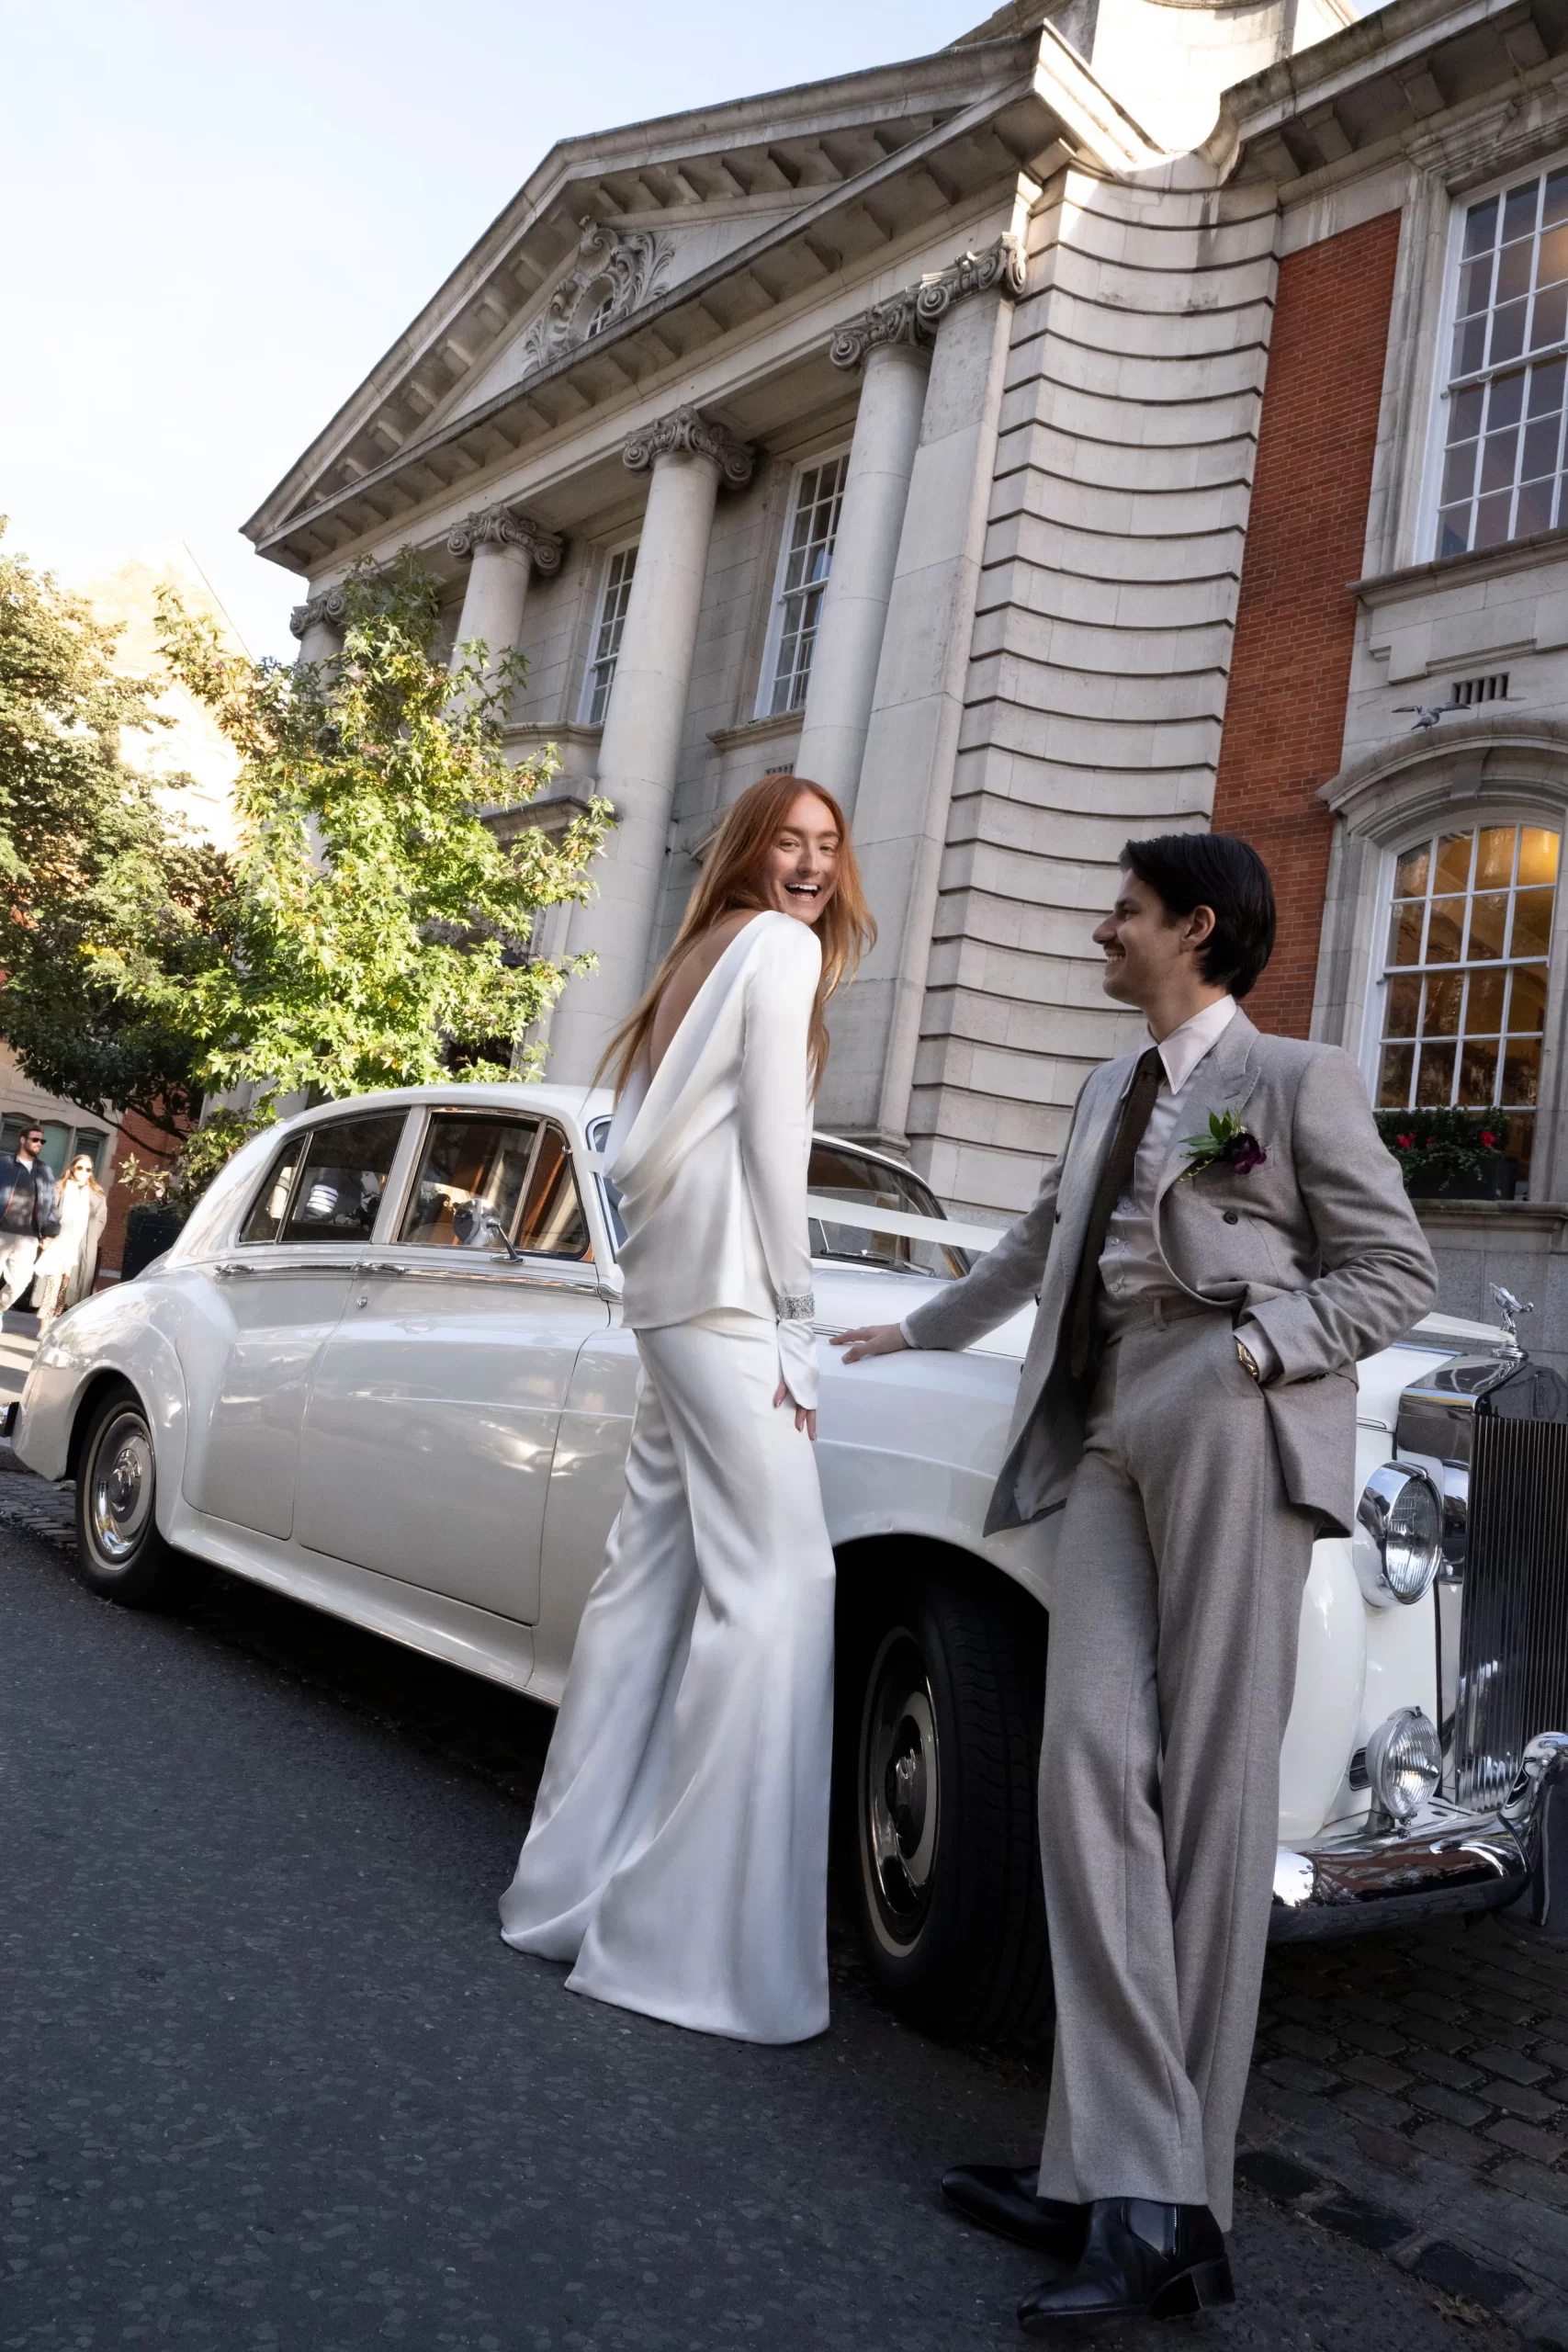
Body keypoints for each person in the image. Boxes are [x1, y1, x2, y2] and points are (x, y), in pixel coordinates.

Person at [837, 834, 1436, 2328]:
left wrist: (1252, 1353)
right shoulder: (1111, 1085)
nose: (1104, 928)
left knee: (1211, 1819)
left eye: (1126, 910)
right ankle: (1119, 2179)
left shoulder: (1290, 1081)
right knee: (1084, 1770)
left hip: (1231, 1414)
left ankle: (1154, 2203)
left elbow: (1393, 1272)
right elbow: (1041, 1246)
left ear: (1199, 928)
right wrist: (915, 1333)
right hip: (1105, 1429)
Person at [499, 773, 874, 2042]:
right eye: (790, 841)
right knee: (780, 1589)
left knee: (646, 1584)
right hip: (725, 1308)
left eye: (828, 846)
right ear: (749, 853)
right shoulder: (770, 948)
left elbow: (647, 1140)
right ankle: (680, 1940)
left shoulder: (696, 954)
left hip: (670, 1300)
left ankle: (564, 1894)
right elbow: (772, 1144)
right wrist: (797, 1318)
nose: (812, 864)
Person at [32, 1152, 108, 1329]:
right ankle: (44, 1326)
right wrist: (46, 1236)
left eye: (88, 1169)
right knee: (53, 1283)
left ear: (91, 1172)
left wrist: (91, 1239)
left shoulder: (96, 1194)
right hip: (58, 1242)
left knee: (66, 1286)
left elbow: (101, 1220)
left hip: (79, 1245)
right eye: (80, 1167)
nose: (83, 1172)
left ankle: (54, 1325)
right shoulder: (60, 1188)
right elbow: (47, 1212)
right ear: (72, 1168)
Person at [0, 1126, 62, 1315]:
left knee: (20, 1282)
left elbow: (51, 1203)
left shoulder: (44, 1171)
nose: (38, 1144)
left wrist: (50, 1232)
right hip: (1, 1232)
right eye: (35, 1139)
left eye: (41, 1141)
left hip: (28, 1238)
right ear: (22, 1140)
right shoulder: (4, 1164)